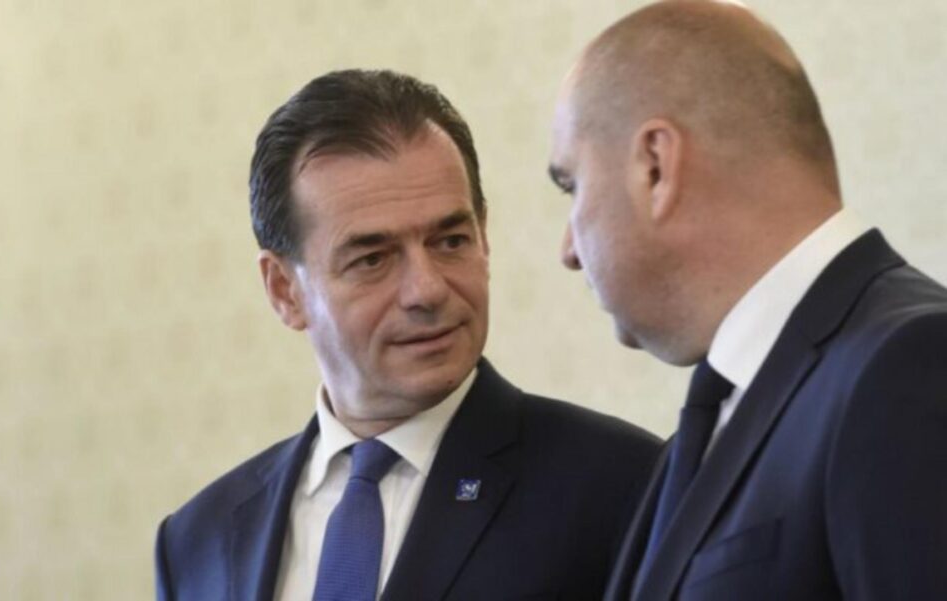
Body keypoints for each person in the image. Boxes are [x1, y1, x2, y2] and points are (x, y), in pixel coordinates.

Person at [155, 69, 661, 601]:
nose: (427, 290)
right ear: (285, 290)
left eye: (451, 241)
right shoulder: (197, 541)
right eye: (372, 259)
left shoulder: (623, 485)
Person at [548, 1, 947, 600]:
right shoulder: (712, 421)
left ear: (655, 166)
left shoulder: (907, 367)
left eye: (572, 184)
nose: (568, 250)